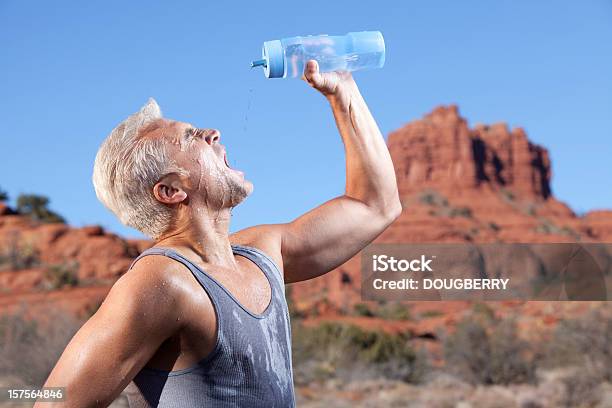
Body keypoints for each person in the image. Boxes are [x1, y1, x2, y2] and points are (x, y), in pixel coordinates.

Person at [37, 60, 401, 407]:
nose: (214, 133)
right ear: (170, 191)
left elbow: (376, 205)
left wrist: (343, 94)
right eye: (193, 137)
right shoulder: (160, 283)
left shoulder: (262, 252)